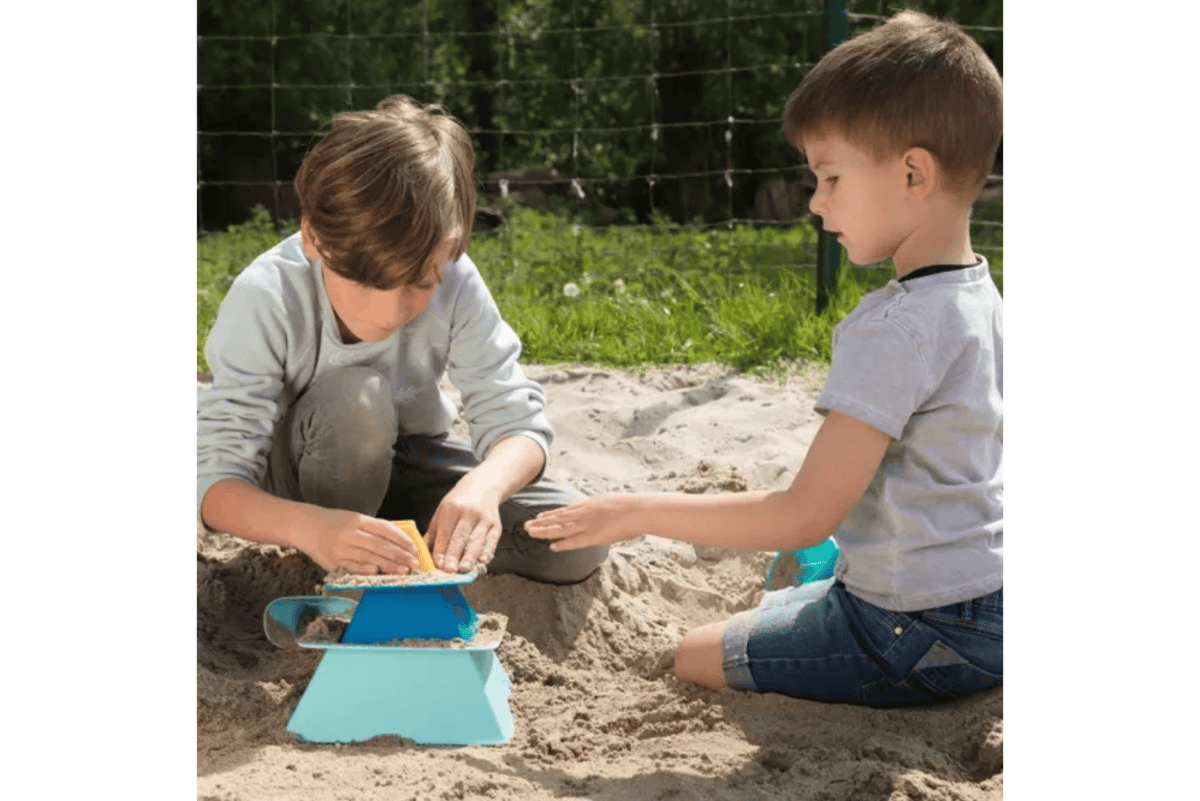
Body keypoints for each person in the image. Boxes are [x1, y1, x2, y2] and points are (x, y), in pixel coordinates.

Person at [526, 10, 1003, 707]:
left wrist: (632, 511)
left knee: (694, 654)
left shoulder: (894, 329)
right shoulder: (981, 296)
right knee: (795, 592)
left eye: (830, 178)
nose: (816, 203)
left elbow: (801, 516)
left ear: (912, 174)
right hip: (993, 609)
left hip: (910, 630)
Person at [198, 95, 606, 585]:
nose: (391, 312)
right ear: (314, 238)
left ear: (449, 249)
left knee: (575, 540)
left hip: (411, 462)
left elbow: (516, 421)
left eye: (420, 283)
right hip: (300, 491)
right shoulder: (267, 295)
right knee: (359, 400)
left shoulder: (457, 280)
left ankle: (392, 551)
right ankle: (344, 573)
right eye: (366, 283)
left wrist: (484, 486)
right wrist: (313, 528)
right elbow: (213, 485)